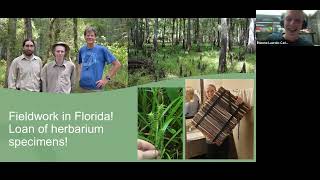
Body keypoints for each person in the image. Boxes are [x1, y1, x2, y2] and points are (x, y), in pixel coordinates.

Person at [78, 26, 121, 92]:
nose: (90, 37)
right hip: (82, 87)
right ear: (85, 37)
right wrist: (80, 77)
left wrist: (106, 80)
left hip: (95, 88)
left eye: (92, 35)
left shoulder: (102, 50)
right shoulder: (82, 50)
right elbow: (80, 64)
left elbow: (117, 64)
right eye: (88, 35)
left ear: (95, 37)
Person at [204, 84, 240, 159]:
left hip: (224, 139)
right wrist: (208, 135)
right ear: (205, 93)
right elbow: (203, 125)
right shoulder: (204, 107)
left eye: (212, 91)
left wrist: (238, 101)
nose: (210, 93)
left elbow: (233, 112)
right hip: (211, 141)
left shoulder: (224, 103)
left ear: (216, 92)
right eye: (207, 91)